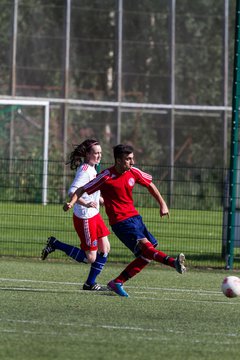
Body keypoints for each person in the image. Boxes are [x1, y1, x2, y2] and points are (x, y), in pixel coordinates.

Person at [63, 144, 186, 297]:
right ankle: (173, 262)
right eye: (128, 159)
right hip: (120, 222)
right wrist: (72, 202)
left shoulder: (133, 172)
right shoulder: (106, 176)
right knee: (147, 249)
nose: (132, 162)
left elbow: (150, 184)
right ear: (119, 161)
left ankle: (118, 282)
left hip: (135, 218)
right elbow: (82, 189)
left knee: (147, 254)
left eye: (132, 158)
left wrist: (162, 204)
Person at [41, 139, 110, 291]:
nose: (99, 156)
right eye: (95, 153)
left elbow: (89, 189)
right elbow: (73, 191)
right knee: (90, 257)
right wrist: (85, 203)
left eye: (100, 153)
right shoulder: (85, 170)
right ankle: (55, 244)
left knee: (104, 248)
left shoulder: (93, 167)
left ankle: (89, 283)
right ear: (87, 154)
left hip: (94, 214)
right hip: (85, 216)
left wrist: (99, 199)